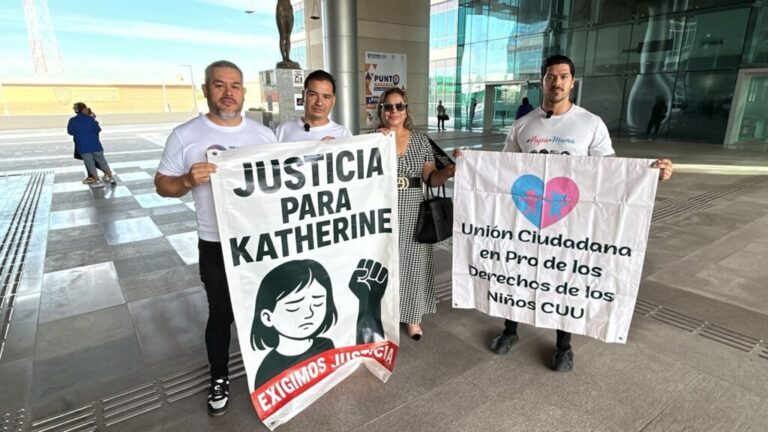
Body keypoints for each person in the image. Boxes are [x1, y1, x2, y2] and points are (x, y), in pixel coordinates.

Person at [455, 54, 673, 372]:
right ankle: (510, 330)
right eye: (550, 76)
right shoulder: (523, 125)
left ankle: (563, 346)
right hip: (524, 218)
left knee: (565, 277)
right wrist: (470, 163)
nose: (557, 82)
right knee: (518, 269)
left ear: (572, 81)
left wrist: (651, 173)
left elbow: (609, 171)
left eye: (564, 76)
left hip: (570, 221)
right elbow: (502, 171)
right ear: (542, 81)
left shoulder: (590, 123)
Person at [154, 60, 277, 417]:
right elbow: (163, 184)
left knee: (268, 306)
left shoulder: (262, 136)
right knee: (221, 313)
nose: (228, 92)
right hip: (216, 242)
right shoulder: (185, 135)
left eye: (235, 85)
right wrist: (188, 181)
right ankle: (220, 376)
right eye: (219, 85)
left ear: (243, 92)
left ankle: (272, 368)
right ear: (206, 90)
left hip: (262, 240)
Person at [375, 87, 456, 340]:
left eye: (399, 106)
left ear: (406, 110)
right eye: (388, 106)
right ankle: (382, 316)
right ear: (381, 111)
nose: (394, 111)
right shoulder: (371, 139)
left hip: (412, 208)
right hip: (381, 208)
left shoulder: (420, 140)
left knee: (412, 264)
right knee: (382, 263)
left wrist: (449, 171)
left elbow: (431, 179)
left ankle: (411, 317)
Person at [275, 70, 351, 142]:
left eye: (326, 97)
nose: (319, 103)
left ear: (333, 101)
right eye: (312, 95)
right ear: (303, 96)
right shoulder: (283, 130)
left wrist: (337, 148)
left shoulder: (343, 135)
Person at [67, 102, 117, 188]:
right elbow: (98, 129)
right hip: (95, 145)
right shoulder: (90, 119)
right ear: (83, 109)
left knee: (90, 163)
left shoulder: (72, 120)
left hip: (83, 146)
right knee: (102, 161)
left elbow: (70, 132)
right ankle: (111, 177)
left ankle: (97, 180)